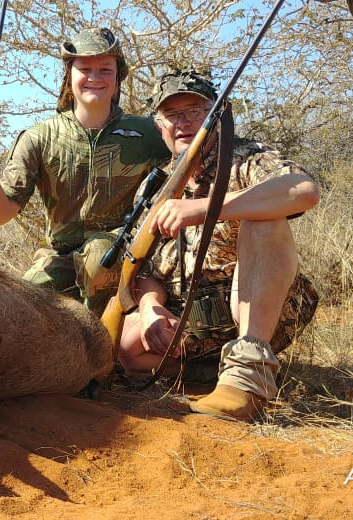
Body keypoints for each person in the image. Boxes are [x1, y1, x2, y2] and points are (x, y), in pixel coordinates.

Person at [116, 70, 320, 421]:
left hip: (257, 309)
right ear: (159, 125)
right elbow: (144, 268)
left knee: (265, 220)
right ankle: (210, 373)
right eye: (172, 115)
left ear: (215, 117)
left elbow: (304, 190)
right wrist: (150, 307)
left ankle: (249, 371)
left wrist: (203, 209)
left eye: (194, 112)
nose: (183, 123)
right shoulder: (156, 185)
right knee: (125, 344)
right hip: (191, 321)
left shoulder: (247, 158)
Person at [0, 28, 170, 313]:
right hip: (60, 259)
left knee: (100, 256)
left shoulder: (150, 133)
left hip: (124, 258)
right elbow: (0, 215)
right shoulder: (39, 137)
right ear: (69, 75)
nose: (95, 78)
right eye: (85, 68)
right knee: (13, 310)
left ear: (118, 77)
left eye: (105, 70)